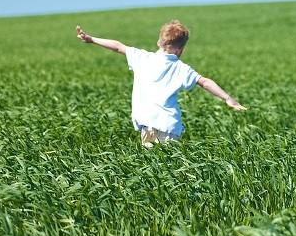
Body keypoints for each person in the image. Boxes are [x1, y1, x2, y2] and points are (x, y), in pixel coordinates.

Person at [75, 20, 245, 146]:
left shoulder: (142, 58)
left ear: (159, 42)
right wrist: (229, 99)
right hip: (169, 127)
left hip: (147, 126)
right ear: (180, 49)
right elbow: (205, 82)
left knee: (152, 174)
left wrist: (91, 39)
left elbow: (118, 46)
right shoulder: (181, 68)